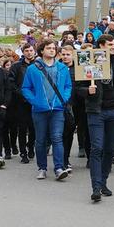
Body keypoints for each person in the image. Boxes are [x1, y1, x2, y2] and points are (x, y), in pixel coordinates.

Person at [76, 34, 114, 202]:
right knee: (97, 148)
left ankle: (104, 181)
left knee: (109, 149)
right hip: (96, 111)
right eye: (110, 44)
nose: (113, 46)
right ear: (101, 45)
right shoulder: (87, 60)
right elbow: (77, 88)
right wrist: (87, 91)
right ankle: (96, 187)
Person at [21, 40, 72, 181]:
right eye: (48, 48)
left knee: (57, 137)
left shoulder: (62, 68)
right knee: (41, 139)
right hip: (39, 109)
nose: (52, 50)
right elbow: (26, 88)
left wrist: (64, 99)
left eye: (53, 48)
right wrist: (35, 101)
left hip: (57, 109)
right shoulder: (32, 69)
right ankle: (42, 168)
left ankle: (59, 168)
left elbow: (68, 86)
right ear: (42, 51)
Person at [8, 44, 37, 164]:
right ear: (23, 52)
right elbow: (11, 82)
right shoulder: (16, 66)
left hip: (35, 101)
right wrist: (21, 93)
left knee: (33, 128)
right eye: (27, 50)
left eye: (31, 50)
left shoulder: (38, 65)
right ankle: (23, 152)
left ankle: (30, 147)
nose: (29, 53)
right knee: (22, 128)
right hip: (20, 102)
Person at [59, 45, 79, 173]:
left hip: (76, 105)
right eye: (63, 54)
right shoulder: (57, 68)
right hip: (60, 105)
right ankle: (61, 160)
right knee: (59, 134)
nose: (65, 57)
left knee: (69, 134)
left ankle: (65, 159)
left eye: (68, 54)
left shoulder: (78, 69)